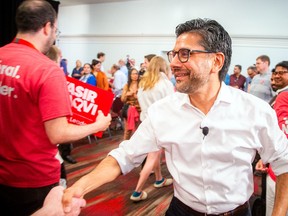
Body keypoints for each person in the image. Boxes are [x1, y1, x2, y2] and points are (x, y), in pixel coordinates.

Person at [63, 18, 288, 216]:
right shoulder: (163, 111)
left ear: (216, 61)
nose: (173, 63)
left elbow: (283, 164)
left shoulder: (255, 111)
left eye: (185, 54)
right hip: (181, 210)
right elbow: (124, 156)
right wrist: (80, 186)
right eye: (174, 54)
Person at [0, 1, 111, 215]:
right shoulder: (47, 70)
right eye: (55, 29)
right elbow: (58, 133)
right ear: (47, 27)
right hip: (33, 178)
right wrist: (97, 125)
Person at [130, 56, 174, 202]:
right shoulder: (165, 83)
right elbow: (171, 105)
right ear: (163, 66)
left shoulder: (144, 82)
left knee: (155, 153)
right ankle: (137, 192)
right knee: (153, 156)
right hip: (160, 124)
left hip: (146, 122)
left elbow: (141, 102)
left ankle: (159, 179)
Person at [256, 61, 288, 216]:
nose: (276, 75)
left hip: (281, 168)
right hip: (275, 166)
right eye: (275, 72)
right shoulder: (279, 96)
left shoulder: (283, 97)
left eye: (282, 72)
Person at [121, 68, 141, 140]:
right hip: (130, 109)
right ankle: (124, 147)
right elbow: (122, 99)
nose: (135, 75)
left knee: (139, 129)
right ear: (130, 75)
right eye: (133, 74)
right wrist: (127, 94)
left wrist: (138, 96)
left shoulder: (141, 84)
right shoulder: (127, 85)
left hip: (140, 109)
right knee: (128, 130)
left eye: (136, 73)